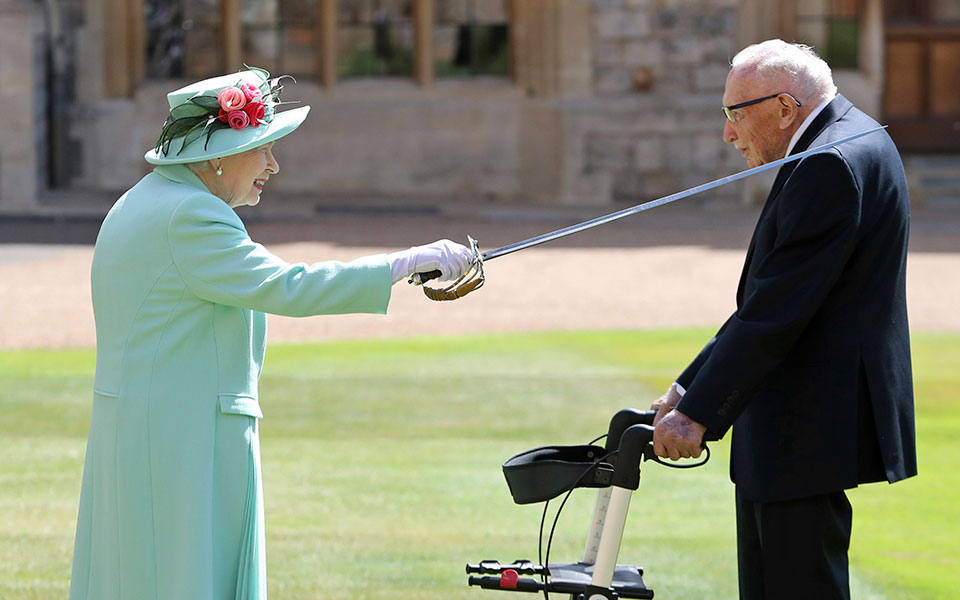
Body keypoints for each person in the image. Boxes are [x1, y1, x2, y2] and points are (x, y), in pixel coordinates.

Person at [69, 67, 474, 600]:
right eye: (262, 147)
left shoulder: (141, 199)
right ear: (217, 154)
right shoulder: (191, 215)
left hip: (147, 431)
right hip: (183, 439)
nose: (273, 164)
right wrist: (405, 262)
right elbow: (288, 287)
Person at [650, 40, 916, 599]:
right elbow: (768, 300)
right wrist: (686, 387)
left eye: (735, 114)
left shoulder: (827, 163)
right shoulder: (850, 136)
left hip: (804, 423)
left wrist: (696, 414)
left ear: (785, 107)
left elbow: (776, 313)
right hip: (804, 420)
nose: (728, 133)